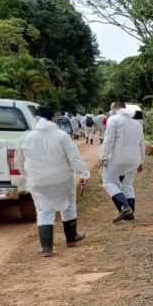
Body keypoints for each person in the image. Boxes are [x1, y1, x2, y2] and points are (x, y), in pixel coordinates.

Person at [15, 106, 89, 257]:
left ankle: (46, 247)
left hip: (37, 181)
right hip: (62, 179)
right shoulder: (61, 135)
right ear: (53, 118)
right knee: (68, 206)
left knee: (44, 210)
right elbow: (74, 158)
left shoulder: (26, 137)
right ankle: (71, 238)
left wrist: (26, 177)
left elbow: (18, 161)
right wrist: (83, 174)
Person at [100, 101, 145, 222]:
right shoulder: (137, 124)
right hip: (134, 159)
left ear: (116, 109)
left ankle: (124, 207)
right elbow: (142, 145)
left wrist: (103, 157)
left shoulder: (113, 120)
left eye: (111, 108)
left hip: (118, 158)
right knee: (127, 184)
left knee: (108, 182)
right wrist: (141, 162)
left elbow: (108, 140)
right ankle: (130, 212)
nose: (110, 111)